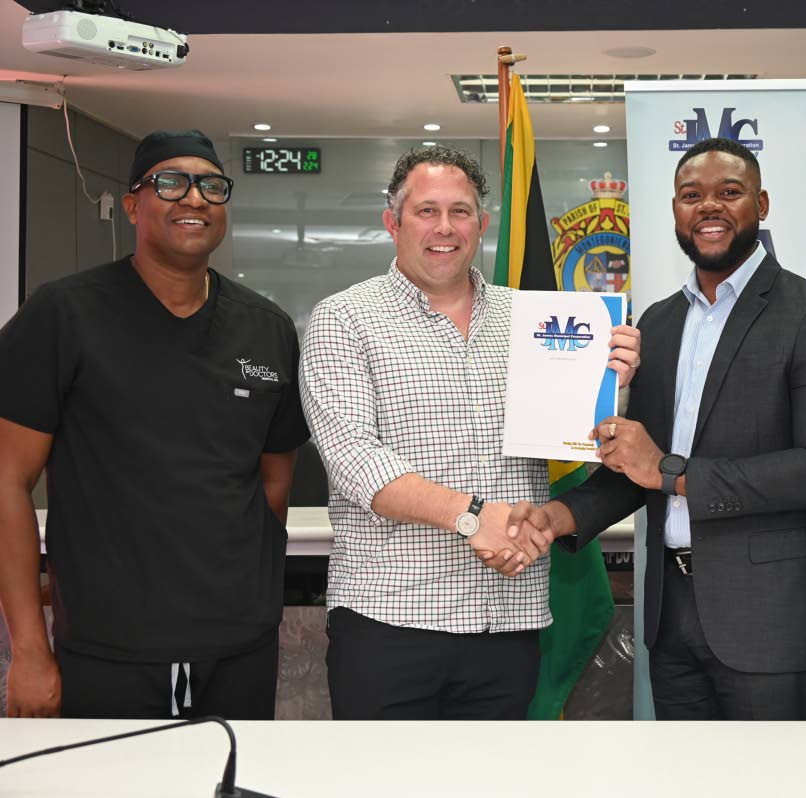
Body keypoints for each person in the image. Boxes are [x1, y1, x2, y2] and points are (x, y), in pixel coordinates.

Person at [500, 137, 806, 720]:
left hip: (767, 621)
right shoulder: (659, 321)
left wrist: (669, 471)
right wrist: (558, 516)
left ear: (762, 203)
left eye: (729, 192)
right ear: (675, 209)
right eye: (691, 195)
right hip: (671, 616)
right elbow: (635, 469)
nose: (708, 207)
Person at [299, 145, 640, 720]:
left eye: (460, 212)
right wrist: (472, 515)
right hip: (389, 621)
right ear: (393, 223)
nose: (444, 227)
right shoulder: (343, 318)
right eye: (426, 211)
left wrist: (613, 380)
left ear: (482, 225)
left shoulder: (534, 319)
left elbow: (583, 436)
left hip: (507, 616)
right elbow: (355, 459)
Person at [0, 129, 309, 719]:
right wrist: (30, 651)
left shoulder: (265, 327)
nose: (194, 198)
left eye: (211, 186)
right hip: (110, 649)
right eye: (171, 182)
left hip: (240, 646)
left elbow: (274, 482)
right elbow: (6, 482)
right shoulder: (64, 314)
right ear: (133, 205)